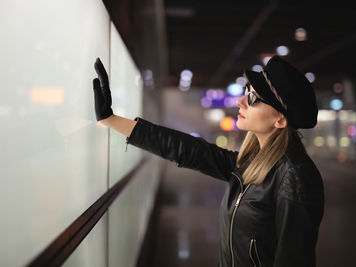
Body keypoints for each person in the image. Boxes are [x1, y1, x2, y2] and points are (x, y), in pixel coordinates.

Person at [92, 55, 325, 267]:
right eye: (247, 90)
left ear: (280, 120)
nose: (240, 101)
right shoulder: (251, 163)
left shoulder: (295, 176)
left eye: (253, 98)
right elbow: (190, 150)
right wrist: (112, 120)